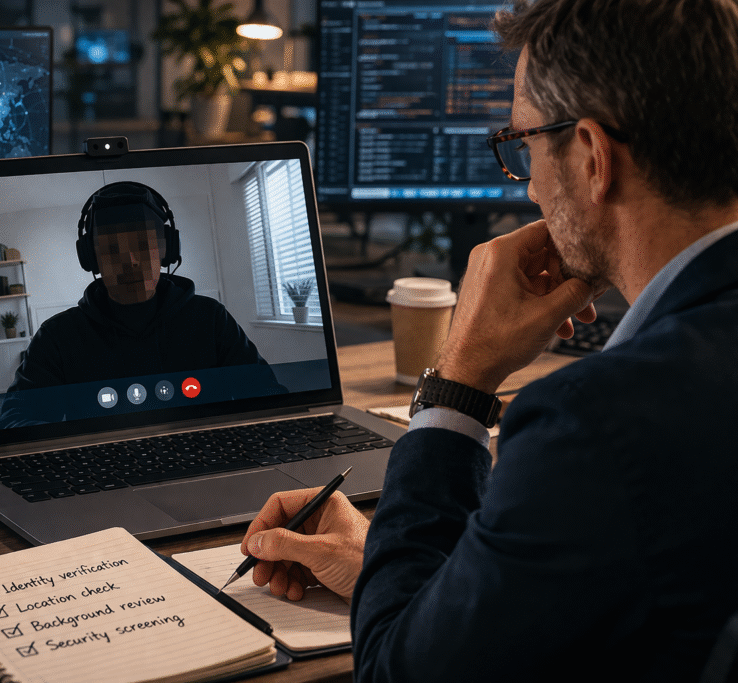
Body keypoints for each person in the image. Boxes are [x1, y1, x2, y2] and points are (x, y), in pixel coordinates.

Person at [238, 0, 738, 680]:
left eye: (524, 142)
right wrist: (419, 583)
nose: (529, 185)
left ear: (592, 157)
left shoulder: (594, 426)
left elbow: (395, 672)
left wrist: (458, 383)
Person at [0, 182, 279, 426]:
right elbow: (13, 421)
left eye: (143, 245)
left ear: (167, 248)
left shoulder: (211, 319)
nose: (130, 261)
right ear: (90, 259)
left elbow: (269, 396)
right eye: (111, 250)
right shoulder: (57, 337)